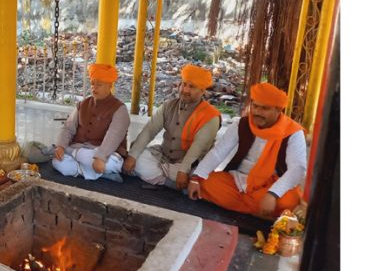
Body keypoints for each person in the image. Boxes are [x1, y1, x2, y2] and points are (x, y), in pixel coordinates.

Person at [188, 82, 307, 218]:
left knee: (287, 200)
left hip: (269, 185)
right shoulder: (242, 124)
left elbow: (297, 169)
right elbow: (218, 152)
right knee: (204, 182)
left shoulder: (293, 132)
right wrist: (197, 177)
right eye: (255, 106)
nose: (257, 112)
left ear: (278, 110)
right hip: (238, 180)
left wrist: (273, 194)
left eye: (264, 108)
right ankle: (257, 210)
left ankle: (246, 205)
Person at [123, 64, 221, 190]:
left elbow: (197, 148)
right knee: (138, 156)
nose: (185, 90)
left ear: (202, 91)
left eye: (191, 87)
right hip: (164, 156)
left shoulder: (210, 116)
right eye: (184, 84)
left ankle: (162, 178)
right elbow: (149, 131)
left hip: (189, 163)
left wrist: (183, 171)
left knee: (198, 177)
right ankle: (168, 183)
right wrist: (133, 155)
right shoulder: (168, 106)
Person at [52, 63, 130, 182]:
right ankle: (100, 174)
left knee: (111, 164)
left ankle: (81, 165)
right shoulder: (83, 104)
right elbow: (68, 128)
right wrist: (61, 146)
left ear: (110, 86)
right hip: (82, 150)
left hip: (106, 154)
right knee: (57, 162)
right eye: (93, 83)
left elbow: (113, 136)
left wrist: (100, 157)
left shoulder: (120, 109)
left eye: (99, 84)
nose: (94, 87)